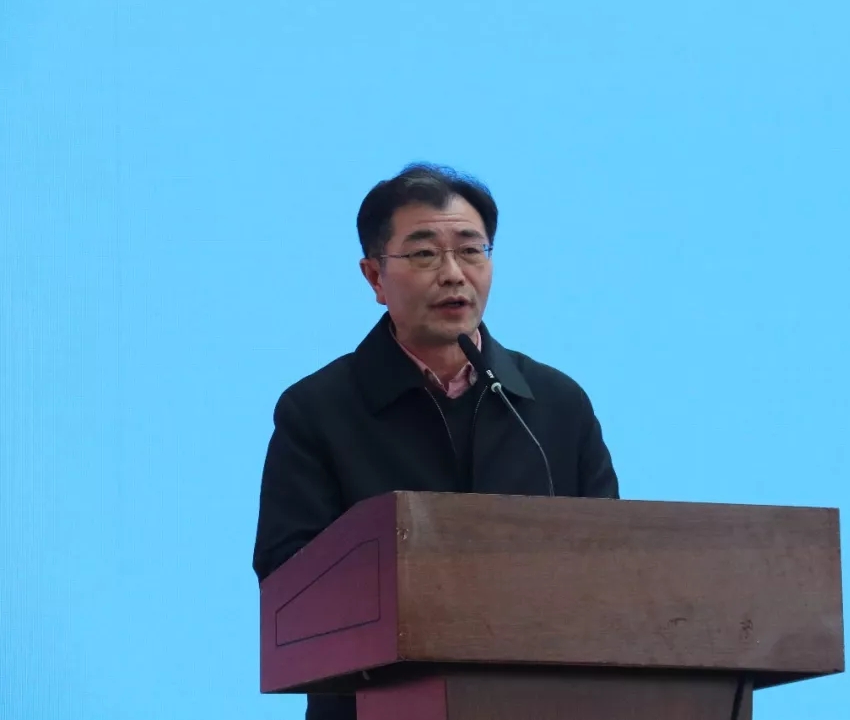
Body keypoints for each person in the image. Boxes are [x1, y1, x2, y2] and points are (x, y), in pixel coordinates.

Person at [251, 163, 620, 720]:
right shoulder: (318, 410)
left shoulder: (555, 405)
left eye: (471, 251)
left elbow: (614, 565)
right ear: (374, 278)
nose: (453, 274)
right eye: (424, 254)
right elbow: (288, 581)